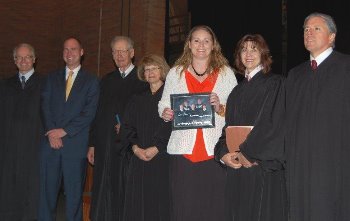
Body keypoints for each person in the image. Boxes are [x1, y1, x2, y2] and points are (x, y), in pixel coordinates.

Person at [159, 25, 237, 221]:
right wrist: (165, 113)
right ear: (189, 45)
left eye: (206, 41)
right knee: (184, 208)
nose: (201, 45)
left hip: (215, 152)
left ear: (213, 45)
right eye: (196, 40)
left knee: (215, 207)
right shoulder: (175, 72)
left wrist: (220, 106)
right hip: (183, 153)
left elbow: (237, 111)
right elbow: (163, 103)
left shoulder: (226, 73)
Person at [214, 34, 287, 221]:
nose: (248, 53)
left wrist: (247, 153)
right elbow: (228, 129)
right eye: (243, 49)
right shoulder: (236, 92)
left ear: (264, 53)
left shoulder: (276, 84)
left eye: (254, 48)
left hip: (260, 168)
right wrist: (223, 153)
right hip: (237, 168)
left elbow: (274, 125)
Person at [285, 12, 350, 221]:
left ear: (332, 37)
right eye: (305, 29)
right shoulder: (295, 75)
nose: (308, 33)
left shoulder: (346, 67)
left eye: (316, 28)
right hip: (300, 166)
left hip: (336, 163)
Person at [87, 36, 148, 221]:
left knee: (123, 188)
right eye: (115, 51)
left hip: (128, 147)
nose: (119, 55)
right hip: (105, 144)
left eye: (123, 51)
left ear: (132, 53)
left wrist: (130, 127)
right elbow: (96, 114)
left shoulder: (142, 79)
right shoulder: (106, 80)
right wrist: (92, 144)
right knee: (103, 187)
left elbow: (146, 114)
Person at [39, 37, 99, 221]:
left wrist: (63, 131)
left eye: (73, 49)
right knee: (46, 195)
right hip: (51, 144)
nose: (69, 53)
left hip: (75, 146)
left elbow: (89, 113)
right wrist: (52, 132)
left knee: (73, 196)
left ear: (81, 52)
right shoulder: (51, 78)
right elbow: (45, 107)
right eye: (65, 49)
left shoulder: (92, 81)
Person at [120, 54, 171, 221]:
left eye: (154, 68)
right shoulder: (137, 98)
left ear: (162, 70)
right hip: (139, 157)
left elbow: (173, 127)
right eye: (146, 69)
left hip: (162, 158)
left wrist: (156, 148)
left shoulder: (171, 96)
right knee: (138, 202)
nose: (150, 72)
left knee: (158, 202)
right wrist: (135, 148)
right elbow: (127, 126)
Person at [0, 43, 44, 221]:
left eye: (27, 57)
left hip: (35, 147)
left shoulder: (46, 84)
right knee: (8, 187)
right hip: (9, 147)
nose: (24, 60)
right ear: (14, 60)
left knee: (32, 189)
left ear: (34, 59)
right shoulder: (4, 85)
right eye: (19, 57)